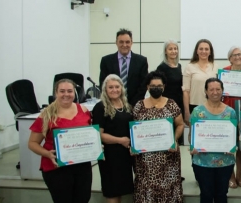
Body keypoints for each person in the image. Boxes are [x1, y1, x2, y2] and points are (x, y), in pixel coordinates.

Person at [28, 79, 92, 203]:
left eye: (70, 91)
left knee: (83, 199)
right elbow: (32, 143)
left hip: (82, 166)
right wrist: (47, 153)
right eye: (62, 91)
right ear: (56, 93)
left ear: (75, 93)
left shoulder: (83, 110)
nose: (66, 94)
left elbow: (89, 134)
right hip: (57, 168)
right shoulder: (46, 115)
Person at [132, 71, 185, 202]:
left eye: (159, 85)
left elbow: (180, 124)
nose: (156, 88)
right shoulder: (139, 105)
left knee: (168, 188)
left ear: (164, 87)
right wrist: (134, 145)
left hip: (168, 155)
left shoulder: (171, 104)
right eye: (153, 85)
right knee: (146, 188)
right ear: (147, 87)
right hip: (145, 158)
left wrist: (174, 139)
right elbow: (134, 129)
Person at [191, 78, 237, 203]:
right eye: (211, 89)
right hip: (202, 162)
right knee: (206, 194)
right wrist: (192, 147)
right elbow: (192, 135)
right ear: (206, 91)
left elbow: (234, 135)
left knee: (222, 194)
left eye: (218, 89)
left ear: (222, 91)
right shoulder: (197, 111)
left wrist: (233, 146)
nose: (215, 92)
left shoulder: (230, 112)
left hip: (225, 162)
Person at [93, 74, 134, 203]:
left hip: (125, 155)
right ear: (105, 89)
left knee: (121, 189)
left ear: (122, 88)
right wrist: (120, 140)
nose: (114, 90)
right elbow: (98, 135)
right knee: (112, 192)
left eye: (117, 87)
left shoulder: (127, 105)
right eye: (110, 87)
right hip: (110, 156)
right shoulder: (100, 107)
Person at [222, 46, 241, 189]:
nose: (237, 57)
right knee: (229, 145)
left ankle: (239, 176)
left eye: (240, 54)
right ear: (230, 58)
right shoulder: (224, 72)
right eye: (234, 55)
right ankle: (231, 176)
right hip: (227, 112)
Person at [99, 28, 149, 106]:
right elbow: (103, 84)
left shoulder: (141, 61)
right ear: (116, 43)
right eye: (121, 42)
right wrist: (113, 103)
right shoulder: (106, 61)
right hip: (112, 105)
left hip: (135, 105)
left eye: (127, 42)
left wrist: (132, 104)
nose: (124, 45)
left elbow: (143, 86)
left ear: (132, 43)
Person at [183, 39, 218, 123]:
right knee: (193, 133)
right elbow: (186, 91)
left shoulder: (215, 66)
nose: (204, 51)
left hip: (212, 106)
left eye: (206, 49)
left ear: (210, 52)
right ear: (197, 51)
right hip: (194, 106)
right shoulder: (189, 67)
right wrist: (187, 111)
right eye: (201, 49)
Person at [156, 39, 184, 115]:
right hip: (166, 103)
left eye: (175, 49)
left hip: (179, 101)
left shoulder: (179, 66)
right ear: (165, 51)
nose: (173, 51)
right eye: (170, 49)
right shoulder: (161, 67)